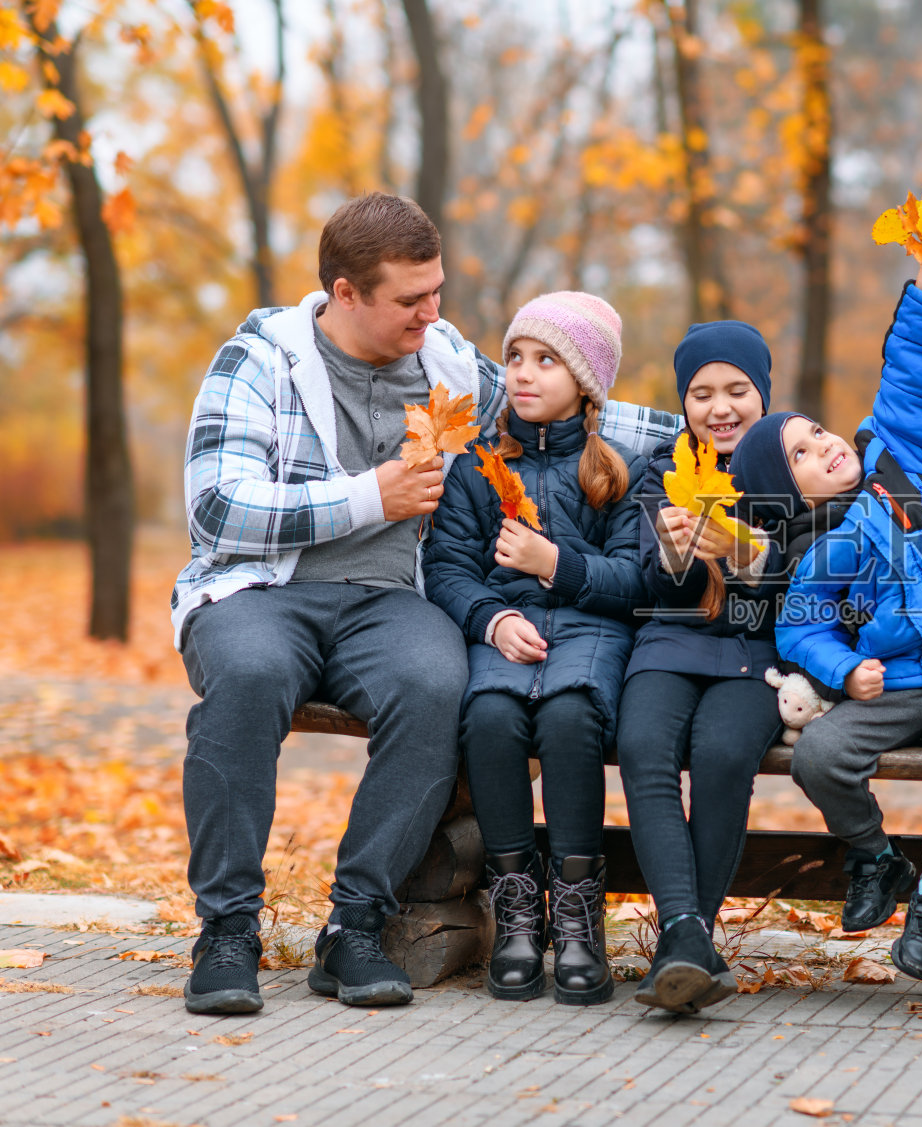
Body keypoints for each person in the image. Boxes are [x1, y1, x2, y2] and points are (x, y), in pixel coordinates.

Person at [173, 193, 675, 1016]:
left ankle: (356, 922)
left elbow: (570, 400)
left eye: (436, 290)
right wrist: (371, 495)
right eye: (411, 298)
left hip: (389, 598)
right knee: (251, 673)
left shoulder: (441, 359)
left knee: (438, 685)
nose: (432, 312)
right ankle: (227, 928)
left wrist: (725, 424)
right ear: (346, 292)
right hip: (261, 589)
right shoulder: (259, 359)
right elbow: (216, 508)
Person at [730, 239, 922, 981]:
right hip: (893, 684)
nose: (825, 445)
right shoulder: (813, 552)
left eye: (818, 431)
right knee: (820, 753)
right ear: (787, 491)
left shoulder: (899, 463)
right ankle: (875, 856)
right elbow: (799, 627)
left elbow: (913, 381)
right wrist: (845, 669)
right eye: (801, 453)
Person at [422, 292, 651, 1006]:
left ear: (585, 380)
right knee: (488, 717)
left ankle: (579, 913)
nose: (523, 373)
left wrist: (554, 562)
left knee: (570, 719)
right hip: (508, 628)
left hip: (590, 628)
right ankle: (517, 904)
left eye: (546, 360)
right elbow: (449, 569)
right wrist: (490, 619)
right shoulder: (479, 467)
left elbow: (635, 578)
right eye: (516, 356)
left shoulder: (616, 468)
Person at [616, 320, 788, 1014]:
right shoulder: (662, 472)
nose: (720, 407)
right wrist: (676, 557)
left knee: (720, 753)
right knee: (642, 744)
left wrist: (751, 558)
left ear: (763, 393)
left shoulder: (789, 458)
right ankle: (687, 936)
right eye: (701, 393)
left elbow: (815, 583)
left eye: (737, 390)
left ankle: (685, 940)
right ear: (682, 402)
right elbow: (653, 588)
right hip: (669, 645)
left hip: (756, 654)